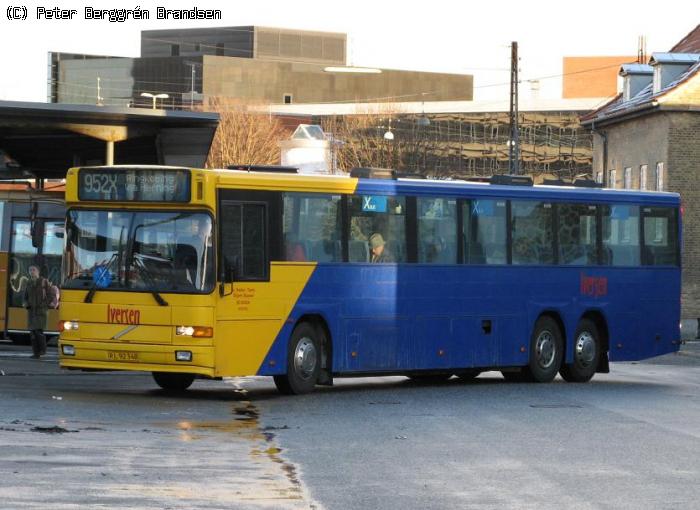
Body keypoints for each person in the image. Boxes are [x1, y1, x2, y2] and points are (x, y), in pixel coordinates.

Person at [23, 265, 55, 359]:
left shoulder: (43, 281)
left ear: (38, 271)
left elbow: (51, 295)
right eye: (30, 270)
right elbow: (25, 297)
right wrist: (26, 304)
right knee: (32, 333)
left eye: (33, 270)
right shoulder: (28, 282)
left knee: (38, 331)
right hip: (31, 311)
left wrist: (44, 305)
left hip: (41, 311)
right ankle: (36, 353)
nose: (32, 271)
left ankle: (42, 350)